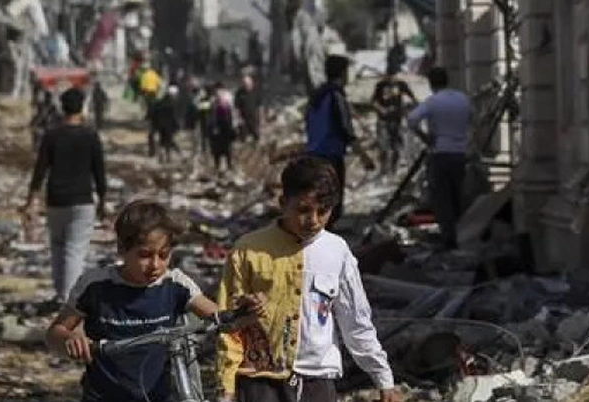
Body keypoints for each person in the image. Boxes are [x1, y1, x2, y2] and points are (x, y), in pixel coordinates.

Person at [216, 157, 401, 402]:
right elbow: (228, 324)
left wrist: (383, 378)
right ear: (283, 203)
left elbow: (355, 321)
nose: (313, 220)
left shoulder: (337, 251)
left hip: (317, 382)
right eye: (303, 210)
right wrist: (226, 387)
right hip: (261, 382)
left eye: (323, 211)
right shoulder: (248, 250)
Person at [45, 200, 243, 402]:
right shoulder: (95, 286)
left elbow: (220, 317)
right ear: (122, 248)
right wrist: (69, 339)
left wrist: (242, 313)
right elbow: (54, 333)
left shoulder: (175, 284)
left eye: (164, 255)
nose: (155, 265)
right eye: (145, 255)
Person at [24, 89, 109, 304]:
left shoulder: (52, 135)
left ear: (62, 108)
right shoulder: (90, 136)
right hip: (82, 200)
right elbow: (99, 171)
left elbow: (40, 169)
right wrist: (102, 201)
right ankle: (67, 298)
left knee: (58, 247)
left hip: (56, 200)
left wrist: (31, 200)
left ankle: (60, 292)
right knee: (74, 249)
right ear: (82, 107)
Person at [407, 67, 472, 250]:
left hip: (440, 152)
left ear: (431, 83)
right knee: (458, 195)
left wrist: (425, 137)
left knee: (442, 198)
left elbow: (412, 120)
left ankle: (448, 237)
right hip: (460, 153)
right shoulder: (462, 99)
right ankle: (462, 233)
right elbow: (474, 118)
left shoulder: (433, 102)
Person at [303, 55, 359, 229]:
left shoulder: (316, 96)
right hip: (331, 156)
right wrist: (363, 156)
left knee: (320, 199)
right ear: (343, 73)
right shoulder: (336, 96)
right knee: (332, 203)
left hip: (313, 154)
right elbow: (346, 128)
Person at [371, 72, 418, 172]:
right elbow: (373, 101)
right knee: (383, 146)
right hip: (383, 120)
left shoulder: (401, 84)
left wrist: (409, 108)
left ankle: (393, 169)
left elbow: (413, 98)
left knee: (396, 146)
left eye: (393, 75)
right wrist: (381, 109)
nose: (391, 78)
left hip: (397, 120)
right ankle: (383, 169)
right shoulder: (380, 85)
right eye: (389, 76)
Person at [208, 82, 239, 170]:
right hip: (217, 128)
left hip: (226, 127)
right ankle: (217, 165)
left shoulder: (228, 102)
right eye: (216, 91)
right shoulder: (213, 102)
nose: (218, 93)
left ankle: (229, 165)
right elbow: (211, 116)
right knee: (216, 149)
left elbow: (233, 114)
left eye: (220, 91)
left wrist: (234, 125)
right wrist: (213, 127)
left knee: (228, 148)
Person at [237, 72, 262, 144]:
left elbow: (260, 106)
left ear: (251, 83)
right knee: (243, 138)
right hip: (244, 119)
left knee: (256, 136)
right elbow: (237, 107)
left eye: (248, 83)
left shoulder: (256, 91)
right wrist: (239, 118)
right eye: (244, 83)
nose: (246, 85)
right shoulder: (239, 92)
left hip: (254, 118)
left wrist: (261, 118)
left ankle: (256, 147)